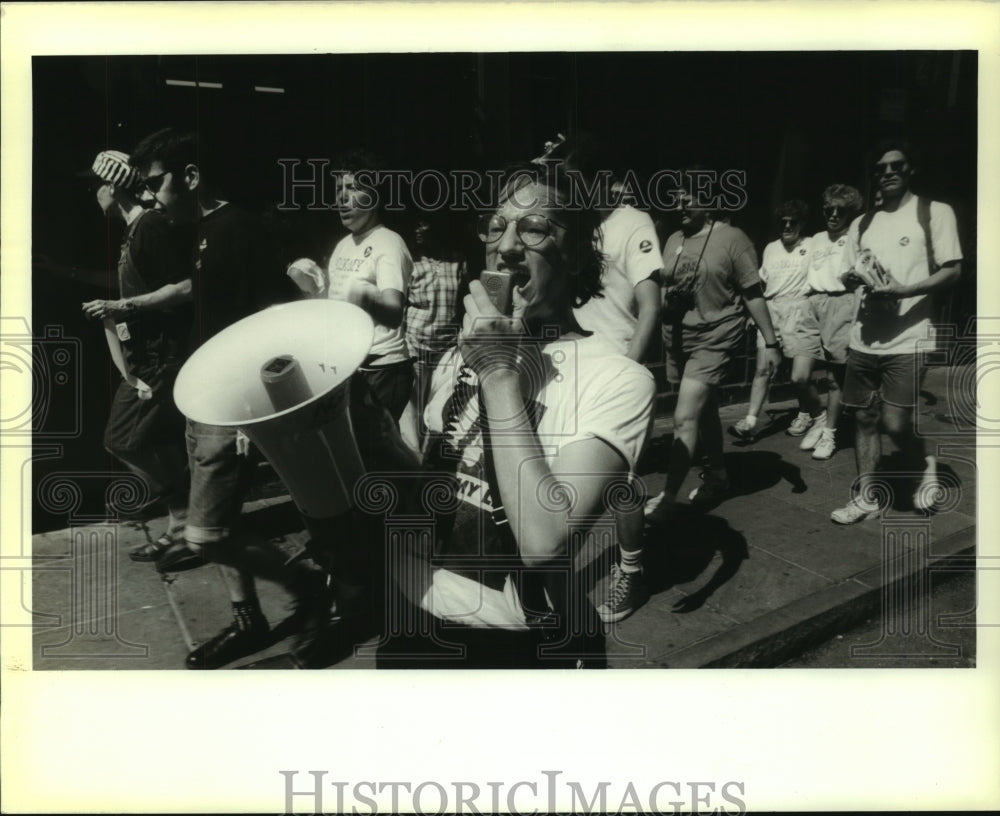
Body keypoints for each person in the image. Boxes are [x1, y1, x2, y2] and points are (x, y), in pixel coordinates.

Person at [386, 162, 656, 666]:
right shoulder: (456, 354)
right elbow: (421, 494)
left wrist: (497, 374)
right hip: (407, 616)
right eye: (496, 226)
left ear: (574, 254)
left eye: (534, 229)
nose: (507, 246)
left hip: (515, 645)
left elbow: (543, 539)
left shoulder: (618, 379)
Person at [130, 127, 333, 668]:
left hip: (233, 404)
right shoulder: (198, 230)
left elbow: (271, 320)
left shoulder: (238, 230)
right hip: (205, 398)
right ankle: (249, 619)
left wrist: (249, 415)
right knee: (223, 524)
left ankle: (306, 585)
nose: (150, 196)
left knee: (206, 535)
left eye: (155, 184)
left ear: (191, 177)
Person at [831, 139, 962, 524]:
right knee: (864, 418)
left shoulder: (934, 213)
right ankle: (867, 496)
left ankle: (925, 462)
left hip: (910, 336)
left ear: (910, 171)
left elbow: (953, 270)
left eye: (896, 166)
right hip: (864, 337)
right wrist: (855, 278)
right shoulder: (863, 222)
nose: (887, 173)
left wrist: (903, 290)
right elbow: (846, 272)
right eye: (880, 168)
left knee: (894, 422)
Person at [80, 149, 194, 565]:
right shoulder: (137, 230)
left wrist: (123, 308)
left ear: (112, 187)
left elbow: (185, 287)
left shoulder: (149, 228)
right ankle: (183, 523)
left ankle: (185, 517)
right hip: (149, 356)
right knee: (154, 440)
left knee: (121, 438)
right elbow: (136, 284)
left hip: (159, 359)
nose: (95, 195)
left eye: (97, 186)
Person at [645, 188, 782, 525]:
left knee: (683, 417)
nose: (678, 205)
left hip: (716, 335)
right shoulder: (674, 238)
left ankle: (668, 497)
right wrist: (665, 305)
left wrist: (771, 341)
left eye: (687, 199)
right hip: (678, 336)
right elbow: (664, 284)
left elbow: (752, 292)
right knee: (704, 410)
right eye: (674, 198)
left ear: (710, 204)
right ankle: (719, 477)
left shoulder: (734, 239)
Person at [570, 169, 662, 623]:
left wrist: (630, 366)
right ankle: (553, 567)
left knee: (619, 484)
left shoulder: (633, 222)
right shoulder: (575, 222)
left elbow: (651, 306)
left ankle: (632, 570)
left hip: (616, 366)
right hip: (571, 361)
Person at [287, 151, 414, 425]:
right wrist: (311, 286)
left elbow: (393, 313)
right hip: (351, 365)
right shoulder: (343, 245)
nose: (342, 198)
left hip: (384, 368)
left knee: (375, 456)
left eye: (353, 188)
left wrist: (365, 298)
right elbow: (334, 306)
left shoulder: (388, 243)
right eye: (338, 189)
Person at [730, 200, 820, 443]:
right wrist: (754, 314)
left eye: (793, 222)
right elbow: (761, 282)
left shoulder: (813, 244)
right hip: (772, 310)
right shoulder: (770, 248)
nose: (787, 226)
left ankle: (811, 414)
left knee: (799, 376)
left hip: (800, 308)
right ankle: (749, 422)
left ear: (802, 223)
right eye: (783, 222)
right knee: (762, 369)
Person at [793, 184, 865, 460]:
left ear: (850, 213)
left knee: (835, 380)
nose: (833, 215)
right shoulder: (815, 239)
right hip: (812, 303)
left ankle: (830, 433)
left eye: (840, 210)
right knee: (799, 375)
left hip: (841, 302)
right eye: (828, 209)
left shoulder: (855, 238)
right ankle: (818, 417)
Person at [398, 214, 463, 453]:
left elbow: (463, 300)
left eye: (423, 223)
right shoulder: (410, 261)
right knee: (412, 410)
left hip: (447, 350)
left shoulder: (457, 259)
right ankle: (413, 465)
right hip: (416, 346)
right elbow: (399, 306)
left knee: (439, 409)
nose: (418, 229)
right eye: (415, 224)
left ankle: (430, 459)